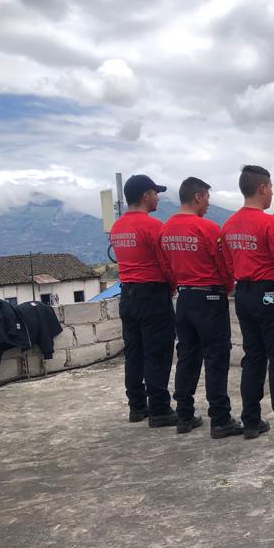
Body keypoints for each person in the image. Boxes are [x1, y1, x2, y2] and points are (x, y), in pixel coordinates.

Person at [220, 165, 274, 443]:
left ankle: (251, 421)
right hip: (270, 295)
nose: (272, 193)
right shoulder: (270, 224)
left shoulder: (229, 225)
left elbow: (229, 263)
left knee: (253, 357)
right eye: (271, 188)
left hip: (243, 295)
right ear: (262, 188)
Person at [159, 177, 241, 438]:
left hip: (183, 299)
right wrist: (226, 287)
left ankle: (183, 414)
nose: (208, 203)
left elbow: (165, 266)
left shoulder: (166, 229)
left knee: (187, 356)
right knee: (216, 358)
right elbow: (224, 265)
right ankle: (220, 419)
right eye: (206, 197)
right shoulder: (207, 228)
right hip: (210, 298)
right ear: (197, 196)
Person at [108, 174, 177, 428]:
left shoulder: (117, 227)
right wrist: (172, 286)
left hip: (127, 294)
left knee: (134, 353)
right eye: (155, 193)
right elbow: (165, 263)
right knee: (157, 352)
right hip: (152, 294)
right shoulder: (153, 226)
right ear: (146, 195)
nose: (158, 197)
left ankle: (137, 406)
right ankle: (159, 410)